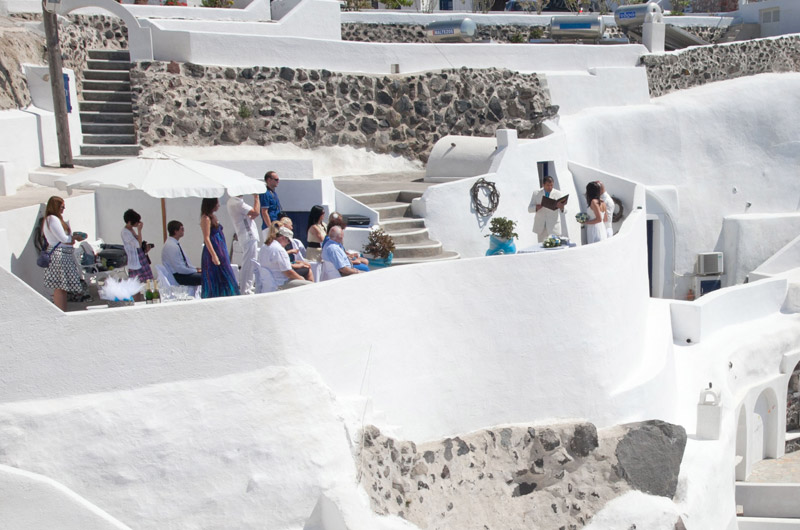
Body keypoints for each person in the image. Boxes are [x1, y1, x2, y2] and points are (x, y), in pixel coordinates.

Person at [41, 196, 87, 311]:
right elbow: (63, 238)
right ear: (55, 206)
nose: (63, 209)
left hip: (62, 254)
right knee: (60, 286)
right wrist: (74, 237)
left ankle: (62, 310)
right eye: (62, 206)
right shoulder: (52, 219)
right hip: (60, 255)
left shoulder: (51, 219)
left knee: (62, 286)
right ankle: (61, 311)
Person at [200, 198, 240, 298]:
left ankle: (227, 296)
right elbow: (206, 238)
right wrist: (214, 255)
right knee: (215, 276)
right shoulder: (206, 218)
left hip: (220, 249)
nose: (218, 205)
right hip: (214, 251)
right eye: (217, 203)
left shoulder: (212, 216)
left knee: (225, 273)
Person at [258, 222, 313, 290]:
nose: (288, 243)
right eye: (288, 241)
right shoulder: (279, 250)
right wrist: (301, 279)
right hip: (281, 282)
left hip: (268, 282)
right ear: (283, 238)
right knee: (311, 286)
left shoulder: (264, 246)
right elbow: (288, 272)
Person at [226, 194, 260, 295]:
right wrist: (256, 198)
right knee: (249, 263)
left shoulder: (236, 202)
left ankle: (248, 287)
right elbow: (256, 212)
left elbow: (253, 214)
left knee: (251, 262)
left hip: (247, 235)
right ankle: (245, 289)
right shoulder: (236, 202)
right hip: (248, 235)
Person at [121, 209, 154, 301]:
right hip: (135, 262)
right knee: (135, 285)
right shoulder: (125, 232)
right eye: (136, 222)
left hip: (141, 258)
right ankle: (136, 303)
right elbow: (137, 244)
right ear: (129, 222)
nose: (138, 224)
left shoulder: (131, 230)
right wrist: (139, 231)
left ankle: (149, 300)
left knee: (148, 283)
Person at [161, 220, 202, 286]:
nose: (183, 231)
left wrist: (195, 269)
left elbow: (185, 264)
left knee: (207, 274)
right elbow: (180, 269)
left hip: (182, 273)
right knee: (206, 278)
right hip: (179, 276)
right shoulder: (171, 246)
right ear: (175, 231)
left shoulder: (174, 243)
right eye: (182, 229)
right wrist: (195, 271)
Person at [529, 176, 566, 243]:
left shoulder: (558, 193)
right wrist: (536, 208)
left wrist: (562, 207)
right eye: (548, 185)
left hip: (553, 227)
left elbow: (565, 211)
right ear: (543, 185)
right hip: (541, 227)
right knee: (541, 247)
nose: (550, 187)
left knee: (555, 247)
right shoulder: (536, 193)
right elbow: (529, 209)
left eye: (551, 185)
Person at [279, 216, 313, 282]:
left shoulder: (291, 241)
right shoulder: (280, 245)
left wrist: (300, 263)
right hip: (288, 268)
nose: (292, 228)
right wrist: (299, 265)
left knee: (307, 264)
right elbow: (285, 264)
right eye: (290, 226)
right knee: (308, 270)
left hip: (291, 262)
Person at [259, 170, 282, 238]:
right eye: (276, 179)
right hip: (270, 226)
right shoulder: (265, 193)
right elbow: (264, 212)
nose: (278, 181)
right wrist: (270, 228)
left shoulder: (273, 192)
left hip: (276, 224)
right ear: (269, 180)